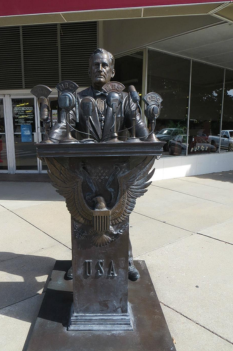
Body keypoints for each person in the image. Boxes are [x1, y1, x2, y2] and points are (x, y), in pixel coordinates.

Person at [49, 48, 155, 280]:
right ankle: (79, 261)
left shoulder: (125, 98)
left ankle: (125, 260)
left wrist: (148, 135)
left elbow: (142, 131)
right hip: (84, 170)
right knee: (81, 216)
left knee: (119, 217)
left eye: (104, 65)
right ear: (89, 70)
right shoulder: (76, 99)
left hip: (117, 172)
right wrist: (52, 137)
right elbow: (65, 126)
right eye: (95, 65)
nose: (100, 69)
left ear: (112, 71)